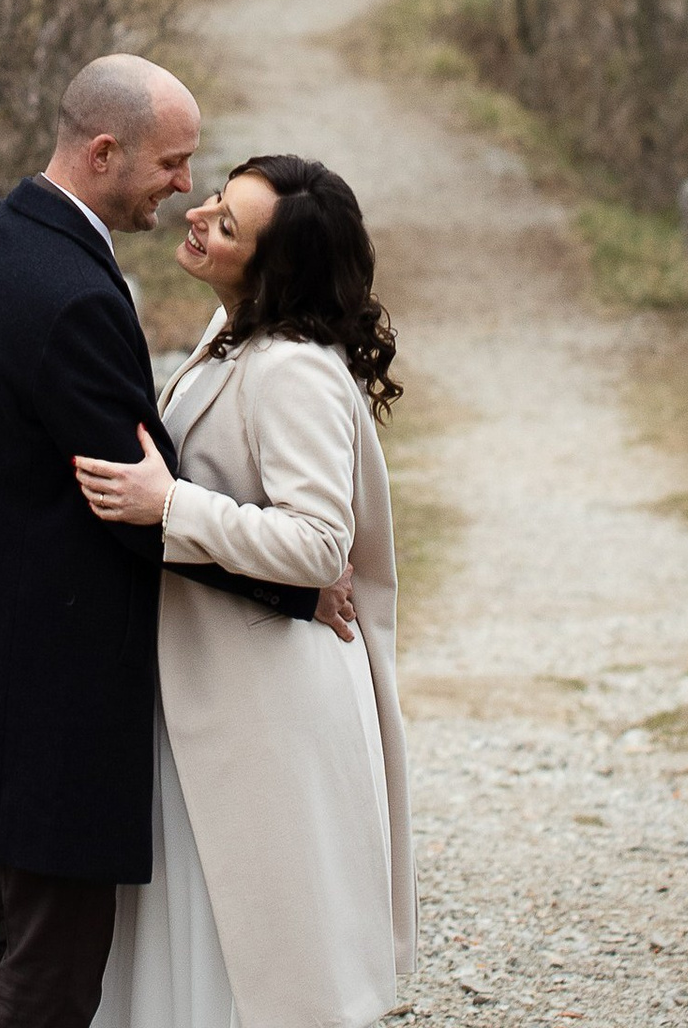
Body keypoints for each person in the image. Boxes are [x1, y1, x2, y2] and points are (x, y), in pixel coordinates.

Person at [0, 57, 359, 1028]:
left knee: (13, 931)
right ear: (104, 151)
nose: (183, 187)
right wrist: (295, 586)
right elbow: (130, 500)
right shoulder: (76, 293)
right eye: (171, 163)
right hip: (57, 681)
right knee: (56, 961)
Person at [72, 154, 414, 1028]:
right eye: (219, 199)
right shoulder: (232, 334)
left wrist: (169, 505)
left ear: (275, 270)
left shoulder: (292, 367)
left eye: (227, 225)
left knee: (261, 949)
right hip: (220, 684)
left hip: (268, 700)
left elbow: (319, 543)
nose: (199, 215)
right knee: (213, 936)